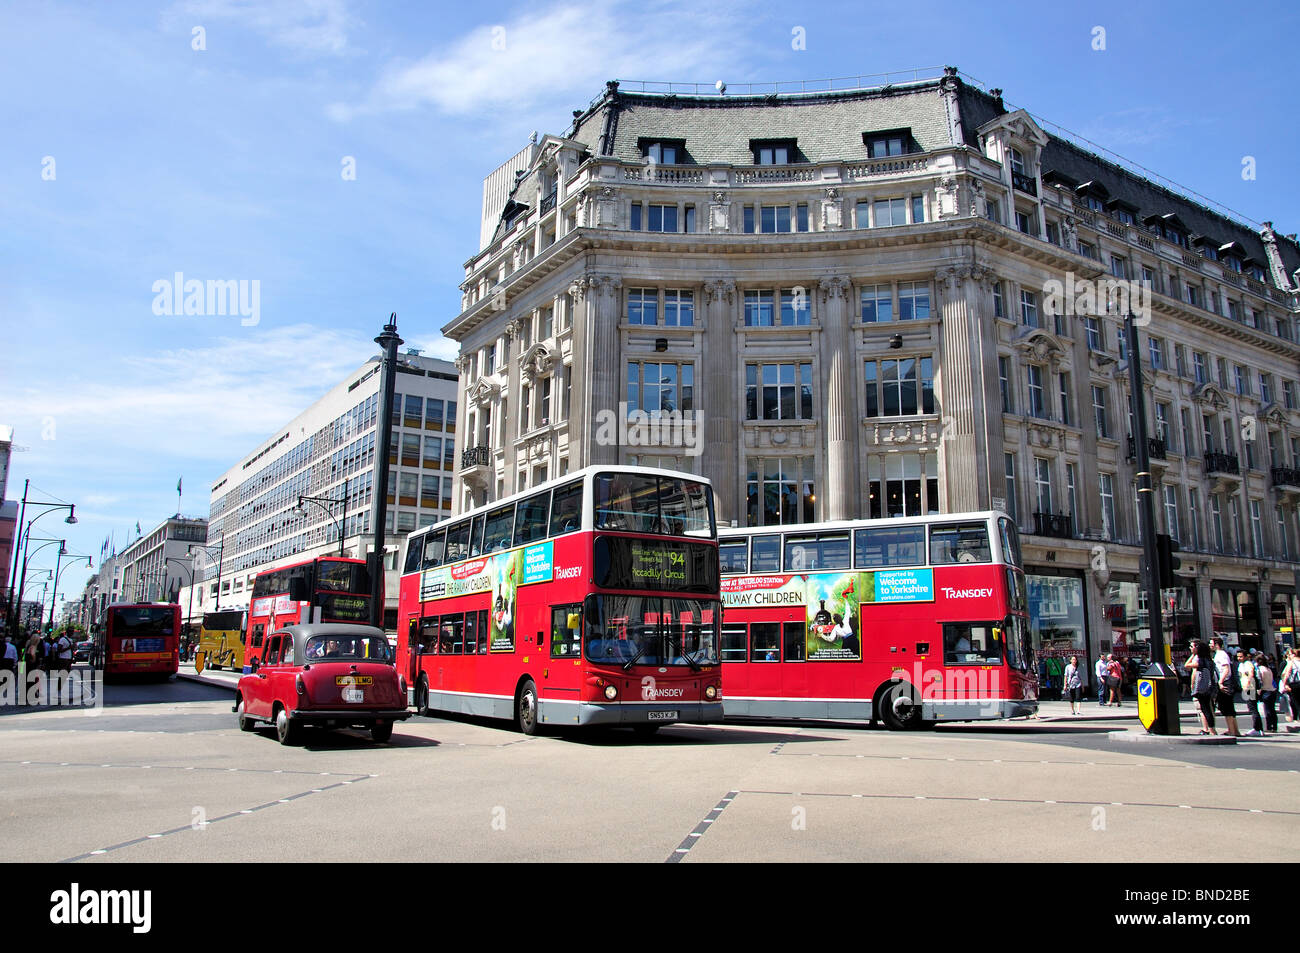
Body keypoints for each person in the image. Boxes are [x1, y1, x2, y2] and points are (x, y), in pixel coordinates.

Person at [1185, 639, 1217, 735]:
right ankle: (1212, 729)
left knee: (1205, 709)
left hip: (1201, 688)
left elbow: (1187, 665)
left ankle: (1211, 729)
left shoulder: (1201, 661)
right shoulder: (1210, 661)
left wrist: (1193, 655)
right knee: (1208, 708)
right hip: (1209, 686)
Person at [1210, 637, 1240, 737]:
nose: (1210, 645)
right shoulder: (1219, 654)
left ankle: (1231, 731)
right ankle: (1235, 730)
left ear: (1216, 644)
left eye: (1211, 643)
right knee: (1229, 707)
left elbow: (1226, 669)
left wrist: (1221, 682)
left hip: (1225, 682)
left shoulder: (1221, 655)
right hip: (1224, 682)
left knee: (1227, 707)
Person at [1238, 649, 1261, 736]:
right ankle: (1259, 728)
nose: (1239, 658)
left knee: (1253, 708)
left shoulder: (1248, 664)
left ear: (1246, 656)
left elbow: (1251, 674)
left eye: (1241, 656)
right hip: (1246, 688)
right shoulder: (1241, 665)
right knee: (1252, 708)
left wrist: (1248, 685)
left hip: (1250, 688)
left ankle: (1257, 728)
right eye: (1238, 656)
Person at [1256, 655, 1278, 734]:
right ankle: (1275, 726)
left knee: (1267, 710)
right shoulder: (1269, 669)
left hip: (1265, 690)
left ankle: (1269, 726)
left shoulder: (1260, 669)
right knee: (1272, 710)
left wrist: (1259, 690)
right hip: (1272, 690)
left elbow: (1260, 681)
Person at [1281, 648, 1300, 723]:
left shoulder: (1292, 663)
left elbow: (1287, 674)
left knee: (1297, 702)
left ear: (1294, 655)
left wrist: (1285, 684)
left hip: (1295, 684)